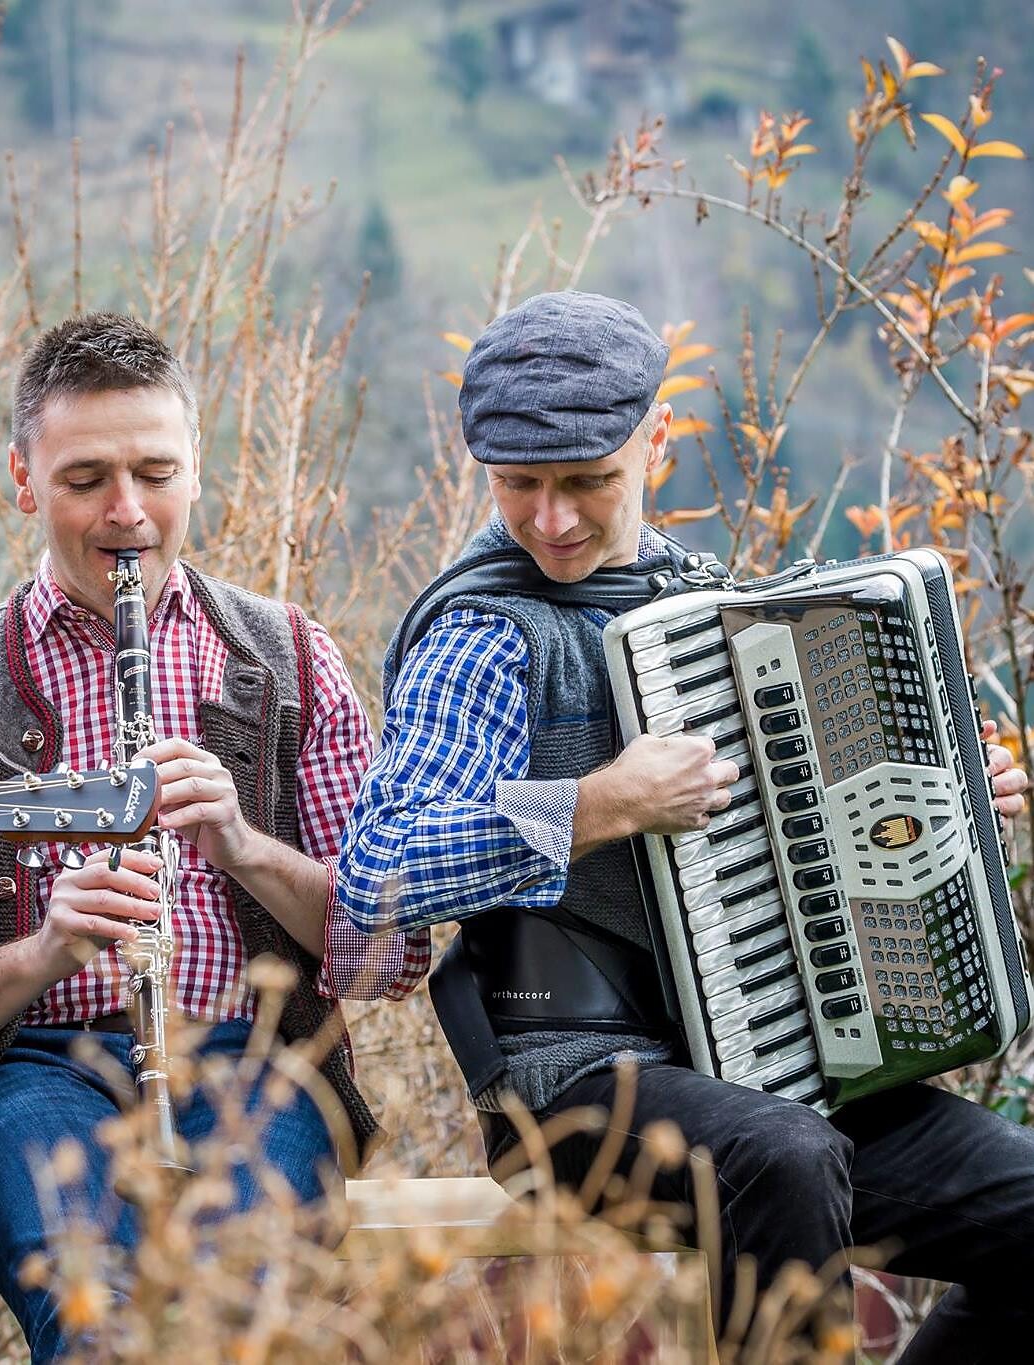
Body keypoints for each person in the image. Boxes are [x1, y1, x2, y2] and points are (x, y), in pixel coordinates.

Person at [336, 288, 1034, 1356]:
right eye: (519, 486)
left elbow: (815, 834)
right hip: (573, 1086)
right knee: (787, 1158)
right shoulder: (480, 638)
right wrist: (596, 804)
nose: (551, 520)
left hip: (772, 1077)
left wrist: (942, 799)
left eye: (586, 482)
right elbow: (377, 870)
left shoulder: (702, 606)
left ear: (655, 440)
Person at [0, 311, 431, 1361]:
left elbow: (389, 950)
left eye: (154, 473)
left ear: (196, 471)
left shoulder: (286, 658)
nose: (127, 512)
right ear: (22, 481)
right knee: (99, 1324)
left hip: (255, 1062)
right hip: (32, 1074)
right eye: (85, 479)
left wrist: (242, 848)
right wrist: (49, 947)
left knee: (239, 1326)